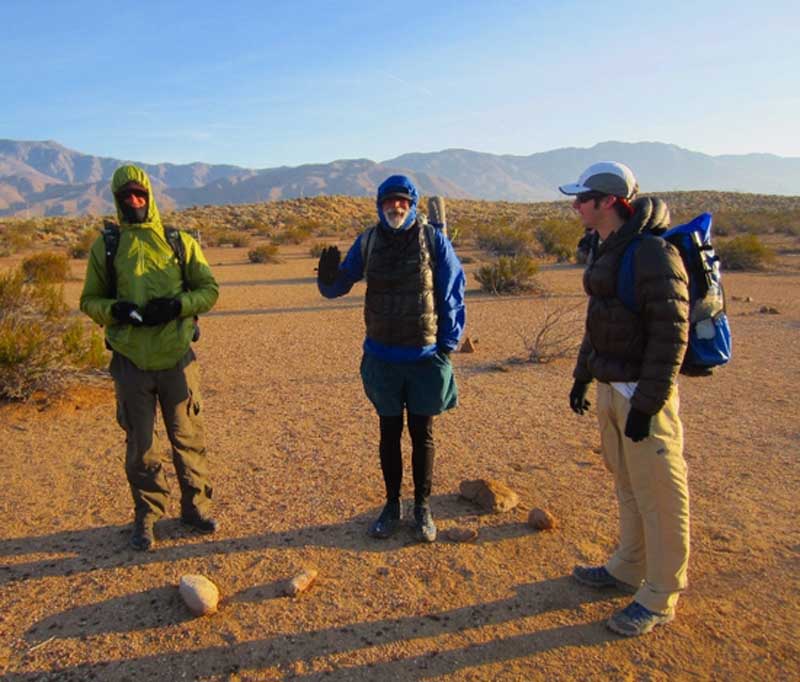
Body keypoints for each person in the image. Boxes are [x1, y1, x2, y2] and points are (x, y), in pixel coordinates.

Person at [559, 162, 691, 636]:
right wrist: (583, 376)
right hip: (611, 387)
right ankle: (628, 566)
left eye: (583, 198)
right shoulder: (607, 246)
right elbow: (600, 321)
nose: (576, 206)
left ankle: (660, 594)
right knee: (629, 485)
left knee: (660, 494)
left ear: (609, 202)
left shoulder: (652, 253)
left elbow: (671, 335)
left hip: (640, 393)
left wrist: (648, 403)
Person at [317, 175, 465, 543]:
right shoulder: (368, 241)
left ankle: (422, 507)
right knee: (389, 433)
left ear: (412, 205)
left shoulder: (434, 240)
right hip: (382, 357)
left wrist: (448, 343)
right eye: (389, 201)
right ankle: (392, 505)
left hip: (424, 357)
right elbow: (340, 285)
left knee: (422, 435)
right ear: (379, 205)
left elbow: (452, 290)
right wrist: (327, 280)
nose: (396, 207)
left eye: (403, 201)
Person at [80, 165, 220, 551]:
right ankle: (148, 514)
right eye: (126, 196)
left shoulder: (178, 242)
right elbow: (89, 299)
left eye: (139, 194)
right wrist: (115, 311)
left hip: (177, 358)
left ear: (150, 196)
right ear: (117, 200)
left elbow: (209, 290)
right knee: (140, 446)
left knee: (187, 438)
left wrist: (178, 305)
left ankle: (196, 508)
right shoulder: (107, 247)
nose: (134, 201)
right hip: (131, 362)